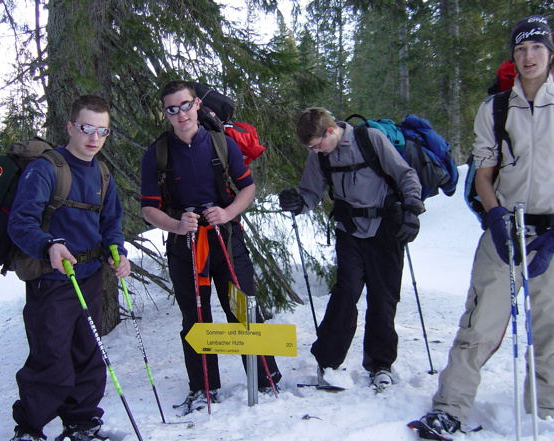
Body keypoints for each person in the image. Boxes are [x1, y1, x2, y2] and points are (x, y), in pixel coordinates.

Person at [412, 16, 554, 439]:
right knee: (479, 323)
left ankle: (544, 411)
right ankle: (450, 407)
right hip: (506, 226)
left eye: (537, 49)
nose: (529, 57)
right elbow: (484, 175)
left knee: (549, 327)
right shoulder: (494, 108)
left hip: (550, 231)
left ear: (550, 53)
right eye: (521, 50)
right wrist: (494, 219)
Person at [140, 80, 281, 415]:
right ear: (166, 113)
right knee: (195, 317)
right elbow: (148, 208)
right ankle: (204, 388)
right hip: (184, 244)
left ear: (197, 104)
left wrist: (228, 212)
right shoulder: (157, 154)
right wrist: (176, 224)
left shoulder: (221, 143)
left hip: (227, 240)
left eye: (185, 105)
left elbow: (247, 187)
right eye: (171, 109)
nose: (180, 113)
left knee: (244, 310)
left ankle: (266, 378)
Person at [7, 95, 131, 441]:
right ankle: (29, 429)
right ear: (71, 127)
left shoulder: (102, 172)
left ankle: (82, 423)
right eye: (87, 128)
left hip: (90, 278)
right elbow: (20, 222)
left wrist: (117, 253)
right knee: (52, 359)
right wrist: (49, 245)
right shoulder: (47, 168)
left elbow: (112, 224)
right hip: (53, 282)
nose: (94, 138)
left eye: (102, 131)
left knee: (89, 354)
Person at [279, 107, 424, 391]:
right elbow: (310, 193)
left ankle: (381, 365)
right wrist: (298, 203)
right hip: (350, 230)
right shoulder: (318, 155)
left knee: (384, 298)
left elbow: (405, 174)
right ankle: (328, 363)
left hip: (386, 228)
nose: (316, 151)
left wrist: (413, 209)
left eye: (318, 144)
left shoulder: (370, 139)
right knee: (346, 294)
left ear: (330, 131)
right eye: (312, 147)